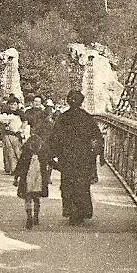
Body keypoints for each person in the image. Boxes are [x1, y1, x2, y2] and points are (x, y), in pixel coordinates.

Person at [47, 89, 105, 225]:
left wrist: (51, 155)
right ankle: (82, 212)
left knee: (68, 184)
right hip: (84, 156)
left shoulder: (63, 117)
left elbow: (54, 137)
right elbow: (97, 137)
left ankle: (72, 212)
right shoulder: (87, 117)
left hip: (67, 156)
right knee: (82, 185)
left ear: (68, 101)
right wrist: (98, 155)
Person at [13, 134, 49, 230]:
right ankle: (36, 217)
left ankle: (29, 217)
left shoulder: (26, 153)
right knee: (36, 197)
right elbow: (50, 162)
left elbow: (19, 165)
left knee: (27, 198)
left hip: (27, 178)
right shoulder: (42, 153)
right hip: (39, 178)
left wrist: (16, 178)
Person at [0, 97, 25, 174]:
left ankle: (20, 168)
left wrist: (21, 130)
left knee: (18, 151)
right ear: (8, 105)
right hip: (7, 134)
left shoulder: (21, 113)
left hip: (16, 134)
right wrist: (4, 125)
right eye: (11, 104)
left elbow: (25, 122)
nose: (12, 106)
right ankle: (12, 169)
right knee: (9, 151)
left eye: (14, 105)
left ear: (17, 105)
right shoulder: (5, 113)